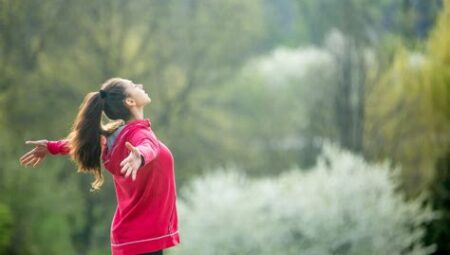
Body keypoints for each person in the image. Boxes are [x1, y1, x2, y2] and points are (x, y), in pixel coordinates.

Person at [19, 77, 180, 255]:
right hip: (143, 238)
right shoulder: (138, 134)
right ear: (130, 101)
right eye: (134, 85)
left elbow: (84, 142)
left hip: (133, 237)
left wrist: (52, 146)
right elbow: (148, 146)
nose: (140, 85)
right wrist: (140, 156)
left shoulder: (116, 137)